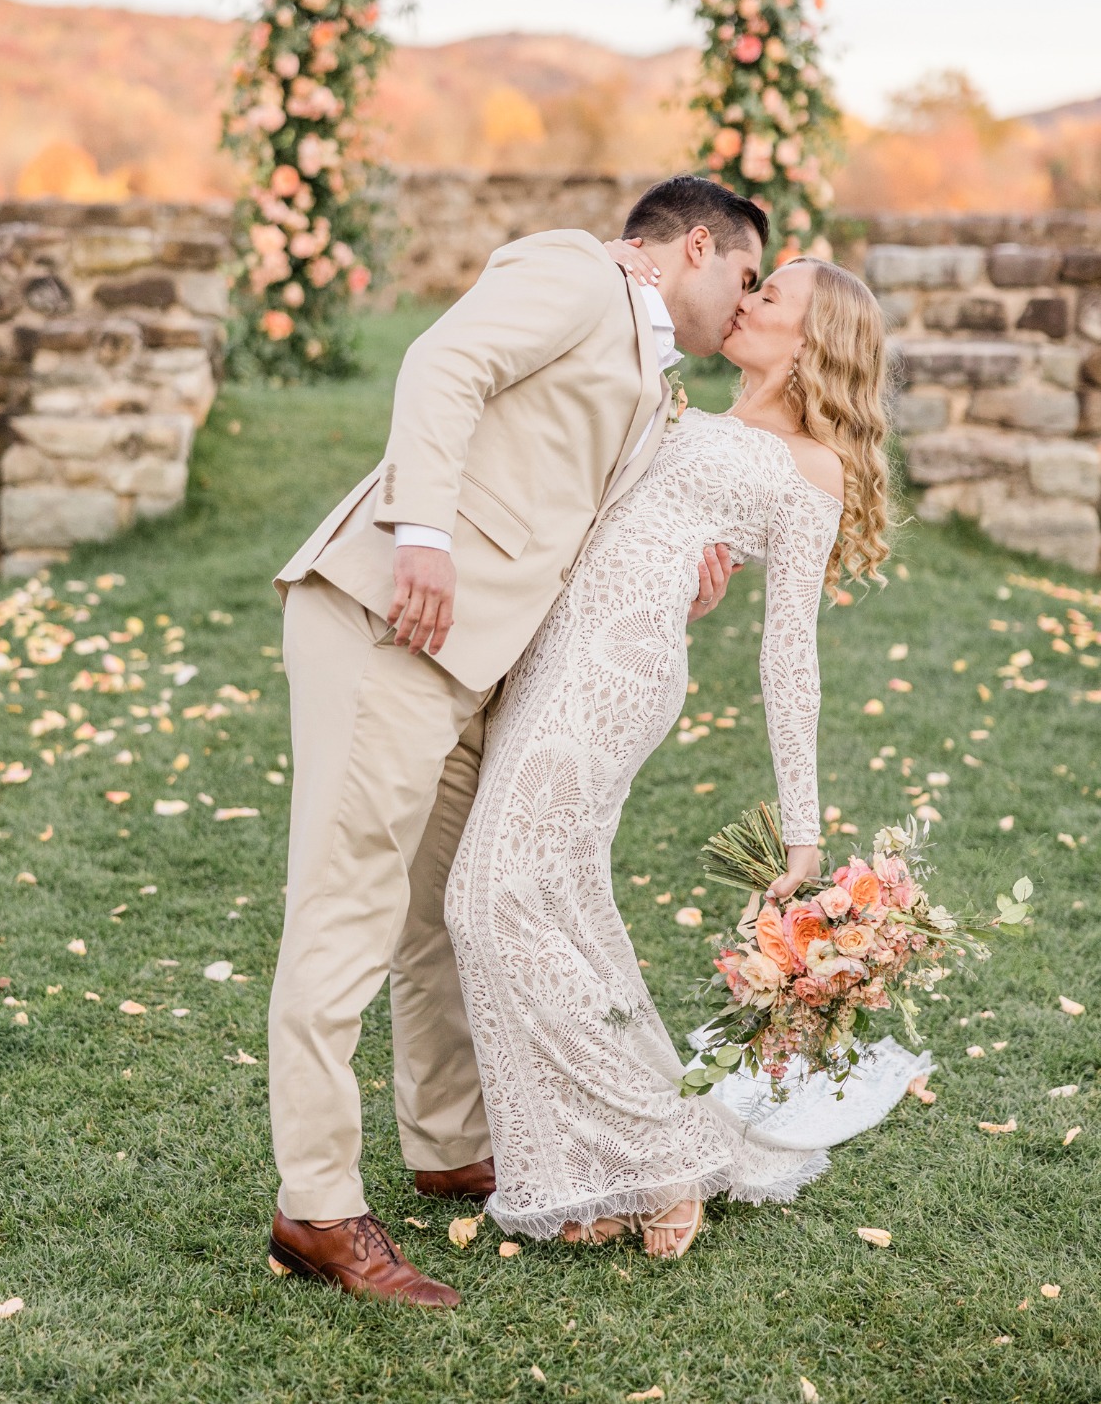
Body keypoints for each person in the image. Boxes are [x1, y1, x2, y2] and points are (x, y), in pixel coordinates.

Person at [265, 176, 768, 1306]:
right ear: (696, 244)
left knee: (440, 911)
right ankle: (316, 1207)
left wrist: (672, 579)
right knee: (345, 903)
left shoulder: (654, 378)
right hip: (388, 615)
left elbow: (566, 511)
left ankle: (446, 1141)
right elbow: (444, 364)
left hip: (473, 663)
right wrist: (423, 536)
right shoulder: (576, 268)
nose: (747, 302)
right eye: (745, 276)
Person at [445, 251, 893, 1260]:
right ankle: (594, 1165)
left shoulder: (809, 468)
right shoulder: (690, 408)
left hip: (615, 672)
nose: (746, 300)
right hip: (550, 652)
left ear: (812, 339)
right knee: (552, 895)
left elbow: (792, 657)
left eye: (768, 295)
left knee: (487, 896)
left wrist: (806, 830)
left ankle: (663, 1149)